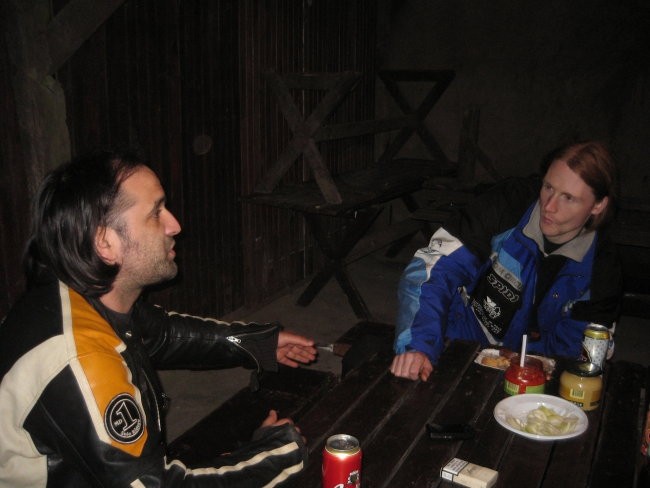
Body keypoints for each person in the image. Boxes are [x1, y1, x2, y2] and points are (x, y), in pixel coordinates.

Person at [0, 149, 318, 487]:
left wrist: (257, 343)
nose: (175, 225)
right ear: (105, 242)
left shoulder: (76, 292)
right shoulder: (81, 359)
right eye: (156, 213)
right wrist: (274, 454)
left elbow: (165, 334)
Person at [391, 141, 622, 381]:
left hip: (537, 374)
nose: (549, 206)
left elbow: (581, 352)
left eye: (568, 198)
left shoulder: (601, 269)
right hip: (456, 345)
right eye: (548, 187)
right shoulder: (507, 206)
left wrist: (531, 373)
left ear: (598, 205)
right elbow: (435, 268)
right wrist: (419, 346)